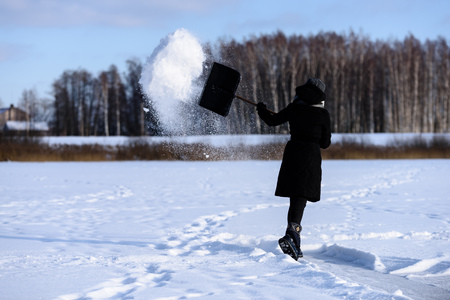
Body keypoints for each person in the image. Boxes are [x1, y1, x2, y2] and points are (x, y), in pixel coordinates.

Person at [256, 78, 331, 261]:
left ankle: (293, 235)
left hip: (293, 152)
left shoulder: (294, 108)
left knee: (295, 196)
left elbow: (272, 121)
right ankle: (293, 233)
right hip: (311, 156)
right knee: (301, 196)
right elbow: (325, 143)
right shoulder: (323, 114)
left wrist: (261, 109)